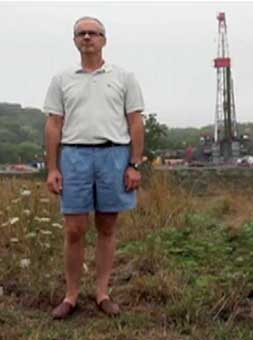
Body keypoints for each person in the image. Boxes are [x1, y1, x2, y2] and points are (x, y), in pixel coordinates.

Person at [44, 16, 145, 319]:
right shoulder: (62, 79)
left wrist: (134, 164)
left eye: (93, 33)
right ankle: (71, 295)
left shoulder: (124, 77)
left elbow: (136, 122)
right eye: (81, 33)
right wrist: (52, 168)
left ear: (104, 39)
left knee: (107, 226)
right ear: (75, 40)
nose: (87, 37)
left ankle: (102, 293)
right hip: (74, 156)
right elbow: (53, 124)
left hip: (113, 155)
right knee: (74, 229)